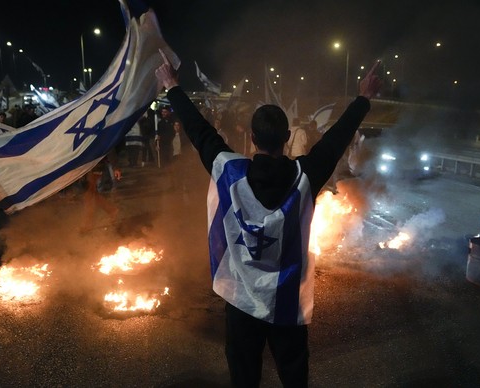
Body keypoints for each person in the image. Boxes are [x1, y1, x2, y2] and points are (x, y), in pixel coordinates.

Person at [155, 49, 382, 388]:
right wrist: (363, 97)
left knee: (244, 376)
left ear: (251, 138)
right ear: (287, 139)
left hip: (241, 300)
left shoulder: (229, 171)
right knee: (293, 375)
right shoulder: (304, 177)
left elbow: (199, 131)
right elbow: (336, 140)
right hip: (286, 303)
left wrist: (172, 85)